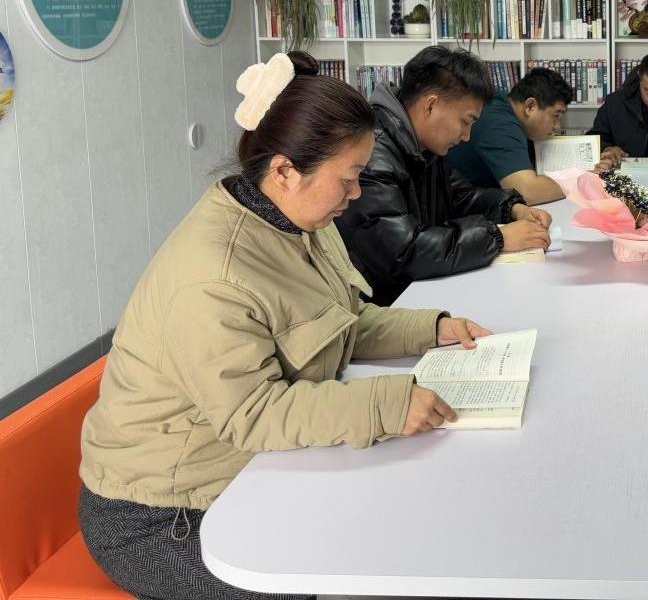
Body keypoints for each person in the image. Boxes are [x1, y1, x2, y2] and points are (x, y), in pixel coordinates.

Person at [78, 52, 491, 600]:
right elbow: (255, 414)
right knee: (336, 581)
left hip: (246, 472)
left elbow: (339, 322)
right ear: (283, 171)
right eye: (349, 178)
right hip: (163, 515)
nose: (357, 194)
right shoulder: (213, 276)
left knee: (398, 525)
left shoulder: (298, 221)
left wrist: (431, 330)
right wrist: (387, 403)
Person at [337, 46, 552, 305]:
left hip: (416, 291)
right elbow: (404, 251)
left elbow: (459, 196)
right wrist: (498, 238)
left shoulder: (421, 143)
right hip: (382, 305)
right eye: (465, 121)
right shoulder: (372, 152)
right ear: (431, 105)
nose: (467, 136)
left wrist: (512, 209)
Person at [447, 66, 574, 205]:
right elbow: (527, 193)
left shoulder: (504, 103)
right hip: (458, 207)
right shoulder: (500, 124)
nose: (557, 126)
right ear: (530, 106)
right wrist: (580, 180)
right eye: (556, 116)